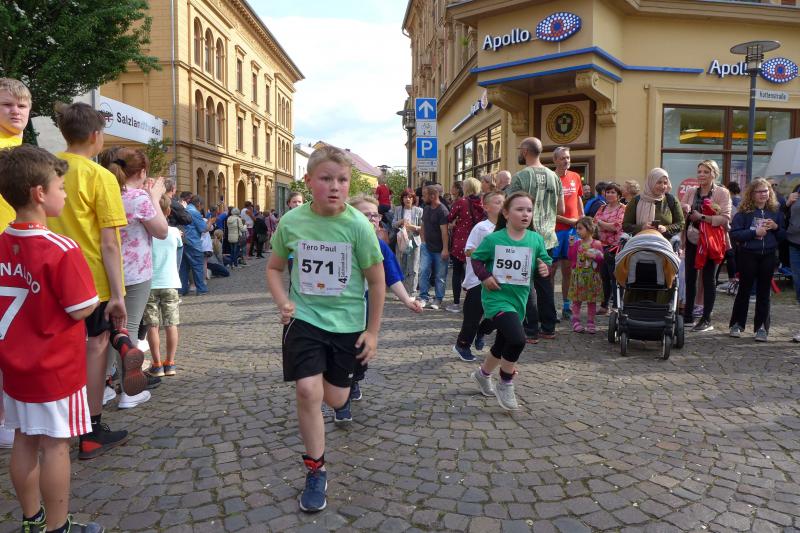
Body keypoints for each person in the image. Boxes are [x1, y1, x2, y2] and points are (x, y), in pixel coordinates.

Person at [266, 145, 385, 512]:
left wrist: (372, 332)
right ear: (308, 181)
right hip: (305, 319)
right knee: (307, 391)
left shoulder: (358, 226)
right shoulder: (292, 222)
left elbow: (377, 281)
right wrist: (283, 301)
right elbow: (274, 268)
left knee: (334, 399)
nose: (335, 186)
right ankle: (315, 469)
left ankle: (340, 394)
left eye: (342, 180)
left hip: (347, 324)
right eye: (326, 179)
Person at [0, 145, 105, 533]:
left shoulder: (1, 240)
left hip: (15, 366)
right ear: (39, 194)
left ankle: (32, 519)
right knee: (56, 445)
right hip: (54, 369)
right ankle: (59, 526)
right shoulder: (61, 247)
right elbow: (81, 307)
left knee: (23, 439)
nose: (64, 194)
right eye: (60, 187)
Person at [46, 102, 132, 460]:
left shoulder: (45, 167)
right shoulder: (100, 176)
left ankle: (53, 426)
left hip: (47, 276)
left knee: (55, 351)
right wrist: (118, 294)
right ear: (96, 136)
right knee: (96, 348)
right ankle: (91, 430)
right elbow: (109, 243)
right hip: (90, 279)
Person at [335, 194, 422, 422]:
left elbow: (392, 277)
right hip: (337, 309)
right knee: (342, 353)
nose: (373, 219)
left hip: (364, 307)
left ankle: (355, 379)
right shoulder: (337, 241)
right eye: (366, 215)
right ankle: (342, 401)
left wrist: (407, 300)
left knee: (361, 353)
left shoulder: (380, 245)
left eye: (375, 215)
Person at [469, 192, 551, 410]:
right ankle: (505, 383)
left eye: (529, 210)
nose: (525, 214)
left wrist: (544, 268)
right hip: (496, 298)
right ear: (506, 213)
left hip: (519, 300)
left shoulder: (535, 239)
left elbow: (544, 262)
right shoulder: (494, 239)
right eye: (519, 209)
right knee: (517, 339)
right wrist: (485, 277)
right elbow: (476, 259)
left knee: (502, 343)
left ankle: (483, 374)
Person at [101, 147, 168, 409]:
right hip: (135, 272)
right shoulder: (138, 197)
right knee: (126, 329)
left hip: (105, 270)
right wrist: (154, 197)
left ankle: (103, 387)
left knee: (105, 333)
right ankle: (129, 392)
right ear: (141, 172)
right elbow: (162, 230)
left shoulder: (106, 192)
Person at [0, 78, 31, 449]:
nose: (15, 111)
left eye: (21, 106)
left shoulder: (23, 149)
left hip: (22, 255)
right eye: (7, 105)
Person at [507, 137, 563, 341]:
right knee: (545, 284)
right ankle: (548, 327)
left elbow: (510, 207)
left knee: (525, 283)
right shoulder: (554, 177)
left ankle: (530, 330)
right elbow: (561, 209)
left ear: (524, 151)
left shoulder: (520, 177)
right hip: (547, 238)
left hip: (526, 237)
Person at [728, 178, 785, 342]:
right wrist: (754, 233)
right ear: (751, 194)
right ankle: (737, 324)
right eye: (759, 191)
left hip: (768, 255)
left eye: (765, 191)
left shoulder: (775, 212)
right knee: (744, 290)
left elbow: (783, 236)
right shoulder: (743, 213)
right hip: (748, 255)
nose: (763, 194)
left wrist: (776, 227)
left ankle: (761, 327)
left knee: (764, 292)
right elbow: (735, 234)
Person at [453, 190, 504, 362]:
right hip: (478, 280)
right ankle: (462, 345)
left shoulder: (508, 228)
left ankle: (482, 331)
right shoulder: (482, 228)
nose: (502, 205)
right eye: (497, 202)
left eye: (504, 202)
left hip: (501, 279)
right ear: (486, 207)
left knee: (501, 315)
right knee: (473, 317)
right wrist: (488, 256)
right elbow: (468, 250)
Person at [681, 160, 731, 332]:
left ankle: (706, 318)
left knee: (709, 279)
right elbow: (682, 210)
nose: (701, 175)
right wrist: (685, 208)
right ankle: (687, 316)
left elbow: (725, 218)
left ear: (714, 174)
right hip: (692, 239)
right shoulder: (691, 191)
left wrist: (702, 217)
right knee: (690, 278)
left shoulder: (722, 192)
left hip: (711, 242)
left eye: (706, 172)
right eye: (699, 171)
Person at [144, 194, 184, 377]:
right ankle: (171, 363)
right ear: (168, 211)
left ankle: (157, 364)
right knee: (171, 324)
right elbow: (179, 249)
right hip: (170, 282)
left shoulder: (145, 231)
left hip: (150, 283)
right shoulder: (174, 232)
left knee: (152, 325)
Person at [552, 146, 584, 321]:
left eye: (568, 158)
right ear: (555, 160)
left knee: (568, 270)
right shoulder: (551, 178)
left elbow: (578, 198)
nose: (566, 161)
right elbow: (548, 210)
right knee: (550, 271)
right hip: (555, 231)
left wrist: (582, 218)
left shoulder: (575, 176)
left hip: (572, 231)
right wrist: (569, 221)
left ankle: (566, 306)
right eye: (563, 158)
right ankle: (549, 308)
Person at [446, 177, 484, 313]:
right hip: (477, 241)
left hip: (461, 241)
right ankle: (472, 301)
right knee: (474, 271)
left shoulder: (461, 202)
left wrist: (456, 222)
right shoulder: (482, 202)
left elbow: (449, 217)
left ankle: (456, 303)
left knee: (457, 272)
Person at [622, 168, 684, 239]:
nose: (662, 186)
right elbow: (626, 226)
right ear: (651, 182)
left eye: (665, 183)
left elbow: (681, 224)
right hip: (640, 243)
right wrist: (641, 227)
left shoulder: (671, 200)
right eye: (659, 182)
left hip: (664, 243)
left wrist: (666, 228)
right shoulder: (636, 201)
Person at [567, 217, 604, 333]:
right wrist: (571, 246)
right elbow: (571, 257)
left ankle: (591, 322)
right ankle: (575, 321)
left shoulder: (597, 244)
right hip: (579, 277)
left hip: (592, 277)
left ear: (589, 229)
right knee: (576, 301)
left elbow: (601, 259)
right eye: (576, 229)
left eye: (580, 228)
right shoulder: (577, 244)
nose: (577, 231)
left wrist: (594, 256)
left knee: (591, 301)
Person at [594, 182, 625, 312]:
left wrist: (601, 223)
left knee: (615, 277)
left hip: (615, 247)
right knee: (604, 277)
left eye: (613, 192)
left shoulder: (623, 208)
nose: (610, 194)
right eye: (608, 192)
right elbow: (594, 223)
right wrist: (606, 225)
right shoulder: (602, 208)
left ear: (619, 195)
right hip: (601, 246)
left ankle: (617, 305)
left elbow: (616, 227)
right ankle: (604, 305)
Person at [417, 184, 450, 310]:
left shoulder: (442, 210)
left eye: (424, 195)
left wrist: (445, 249)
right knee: (423, 271)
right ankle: (423, 297)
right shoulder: (426, 208)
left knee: (440, 275)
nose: (422, 197)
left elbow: (444, 232)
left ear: (432, 196)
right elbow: (423, 225)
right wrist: (423, 241)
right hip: (427, 247)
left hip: (440, 249)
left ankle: (438, 299)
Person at [390, 188, 423, 297]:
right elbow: (393, 224)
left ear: (413, 199)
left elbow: (422, 228)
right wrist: (401, 221)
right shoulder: (398, 209)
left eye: (410, 197)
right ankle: (401, 292)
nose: (407, 199)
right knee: (400, 266)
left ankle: (413, 291)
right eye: (405, 197)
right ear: (402, 199)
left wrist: (412, 227)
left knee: (414, 268)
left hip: (414, 241)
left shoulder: (419, 210)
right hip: (401, 241)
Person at [786, 182, 800, 342]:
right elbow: (784, 216)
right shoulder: (797, 190)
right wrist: (787, 204)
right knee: (798, 285)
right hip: (795, 244)